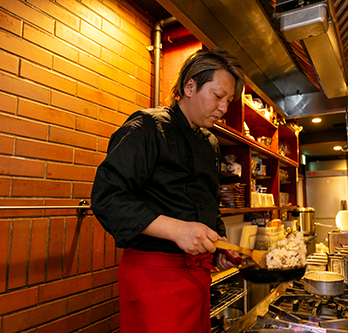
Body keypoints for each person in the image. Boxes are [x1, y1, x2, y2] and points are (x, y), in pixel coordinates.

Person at [91, 48, 246, 333]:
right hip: (154, 276)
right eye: (218, 96)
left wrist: (218, 245)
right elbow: (107, 197)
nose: (224, 107)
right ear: (189, 86)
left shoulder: (210, 142)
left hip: (198, 274)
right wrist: (177, 230)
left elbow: (207, 201)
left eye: (229, 100)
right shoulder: (146, 127)